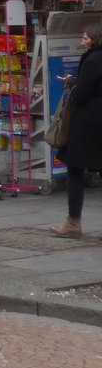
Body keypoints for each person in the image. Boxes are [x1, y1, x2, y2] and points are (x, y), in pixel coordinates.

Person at [51, 21, 102, 237]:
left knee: (75, 168)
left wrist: (72, 83)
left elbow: (82, 94)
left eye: (85, 38)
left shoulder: (93, 60)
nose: (82, 42)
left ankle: (73, 223)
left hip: (88, 122)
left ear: (95, 39)